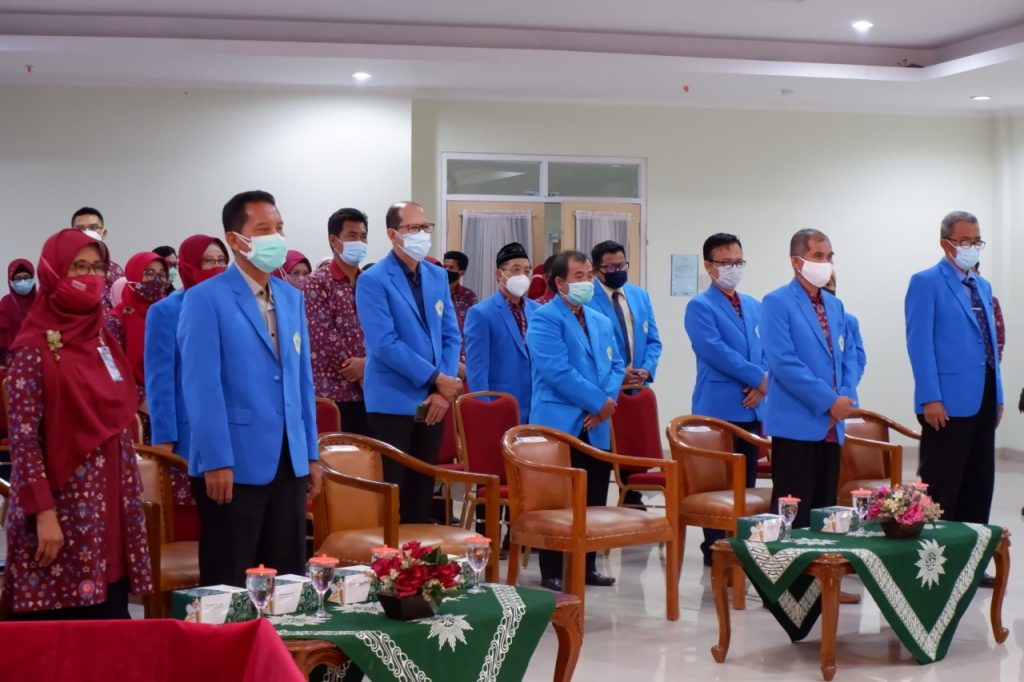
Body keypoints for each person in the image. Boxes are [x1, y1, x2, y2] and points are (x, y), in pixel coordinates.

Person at [2, 228, 152, 619]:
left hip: (110, 499)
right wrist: (43, 512)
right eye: (78, 267)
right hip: (62, 506)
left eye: (97, 267)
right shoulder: (32, 348)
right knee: (61, 626)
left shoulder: (101, 338)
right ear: (53, 273)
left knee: (110, 616)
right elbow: (23, 441)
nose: (91, 276)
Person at [178, 190, 320, 586]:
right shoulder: (205, 299)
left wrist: (310, 453)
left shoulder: (291, 298)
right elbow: (201, 387)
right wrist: (215, 460)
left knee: (288, 577)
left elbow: (302, 381)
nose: (276, 237)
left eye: (279, 228)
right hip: (233, 460)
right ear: (235, 240)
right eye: (263, 230)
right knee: (230, 579)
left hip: (289, 457)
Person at [905, 211, 1002, 587]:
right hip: (945, 401)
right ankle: (936, 562)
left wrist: (998, 395)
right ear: (945, 243)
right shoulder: (926, 282)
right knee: (943, 484)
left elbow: (990, 344)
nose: (971, 247)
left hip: (983, 396)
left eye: (976, 241)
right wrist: (930, 396)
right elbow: (919, 344)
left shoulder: (982, 285)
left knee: (980, 483)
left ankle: (972, 563)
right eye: (964, 241)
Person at [356, 201, 462, 524]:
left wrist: (442, 390)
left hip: (434, 400)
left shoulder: (437, 276)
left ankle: (421, 556)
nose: (422, 234)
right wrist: (437, 378)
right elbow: (385, 343)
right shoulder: (373, 280)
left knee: (422, 492)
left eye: (425, 227)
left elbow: (450, 335)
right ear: (393, 235)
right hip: (392, 400)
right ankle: (390, 555)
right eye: (413, 228)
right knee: (392, 492)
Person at [528, 250, 625, 591]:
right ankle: (552, 568)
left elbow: (616, 364)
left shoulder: (599, 318)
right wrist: (597, 402)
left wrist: (604, 405)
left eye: (589, 275)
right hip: (559, 420)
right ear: (560, 282)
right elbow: (557, 370)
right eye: (578, 276)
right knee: (558, 500)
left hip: (597, 421)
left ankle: (587, 565)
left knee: (594, 494)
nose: (587, 282)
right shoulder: (544, 319)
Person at [761, 229, 860, 527]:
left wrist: (845, 396)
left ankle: (822, 560)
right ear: (796, 261)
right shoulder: (776, 302)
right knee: (794, 516)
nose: (825, 263)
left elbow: (847, 357)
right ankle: (787, 560)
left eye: (829, 256)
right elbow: (784, 363)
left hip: (832, 426)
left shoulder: (834, 305)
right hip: (796, 422)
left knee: (825, 514)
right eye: (818, 256)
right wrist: (829, 401)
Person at [683, 233, 767, 564]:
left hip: (752, 406)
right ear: (709, 266)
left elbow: (768, 348)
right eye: (726, 262)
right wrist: (757, 378)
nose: (734, 268)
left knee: (745, 482)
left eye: (738, 262)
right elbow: (715, 351)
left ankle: (741, 544)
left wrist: (763, 383)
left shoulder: (754, 305)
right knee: (717, 483)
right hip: (718, 406)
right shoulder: (700, 306)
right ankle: (715, 548)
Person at [145, 235, 229, 537]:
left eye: (221, 260)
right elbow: (160, 379)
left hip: (233, 429)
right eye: (208, 261)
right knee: (196, 523)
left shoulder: (235, 305)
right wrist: (165, 438)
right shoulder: (166, 311)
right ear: (189, 265)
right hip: (187, 432)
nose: (216, 267)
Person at [303, 207, 371, 436]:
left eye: (363, 236)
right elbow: (322, 334)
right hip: (334, 392)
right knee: (341, 455)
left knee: (373, 455)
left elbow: (384, 330)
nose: (359, 242)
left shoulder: (370, 283)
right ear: (334, 240)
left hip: (373, 388)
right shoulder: (316, 282)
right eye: (352, 236)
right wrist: (358, 372)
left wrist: (369, 363)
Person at [464, 242, 539, 424]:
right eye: (516, 270)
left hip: (537, 407)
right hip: (501, 404)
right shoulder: (481, 313)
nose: (522, 276)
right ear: (499, 274)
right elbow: (477, 370)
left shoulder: (537, 310)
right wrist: (485, 411)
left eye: (527, 271)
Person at [588, 240, 661, 387]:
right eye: (611, 267)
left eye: (622, 265)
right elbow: (588, 349)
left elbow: (653, 340)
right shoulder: (587, 300)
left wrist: (647, 369)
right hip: (605, 386)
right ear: (596, 270)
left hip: (639, 384)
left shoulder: (640, 295)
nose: (618, 271)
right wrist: (618, 374)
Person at [106, 252, 169, 418]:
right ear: (133, 275)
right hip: (135, 411)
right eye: (149, 273)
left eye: (162, 274)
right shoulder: (116, 319)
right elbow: (110, 369)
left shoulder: (170, 314)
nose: (156, 280)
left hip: (172, 404)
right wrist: (142, 400)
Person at [71, 207, 124, 311]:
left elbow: (123, 306)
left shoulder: (114, 270)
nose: (86, 232)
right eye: (80, 229)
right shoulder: (64, 269)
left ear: (103, 233)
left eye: (93, 228)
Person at [823, 272, 867, 385]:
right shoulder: (799, 320)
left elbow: (859, 360)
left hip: (843, 392)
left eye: (828, 284)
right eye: (820, 285)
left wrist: (847, 388)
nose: (824, 290)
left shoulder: (849, 321)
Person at [0, 259, 37, 365]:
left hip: (41, 361)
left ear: (33, 278)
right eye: (18, 278)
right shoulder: (5, 304)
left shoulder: (41, 302)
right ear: (10, 281)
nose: (23, 281)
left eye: (26, 277)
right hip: (11, 364)